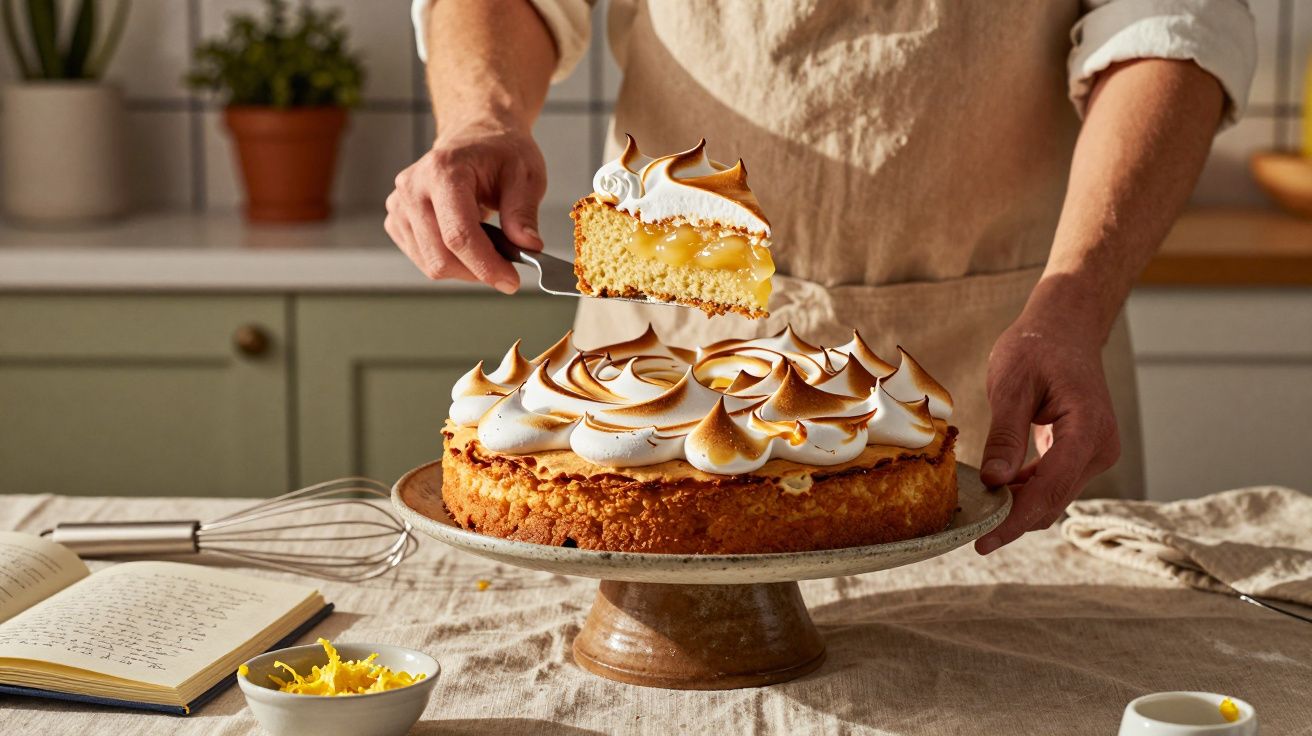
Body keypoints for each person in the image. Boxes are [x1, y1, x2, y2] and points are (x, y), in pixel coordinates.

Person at [388, 1, 1256, 553]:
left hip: (1004, 362)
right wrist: (481, 117)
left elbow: (1174, 21)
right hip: (654, 376)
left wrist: (1074, 301)